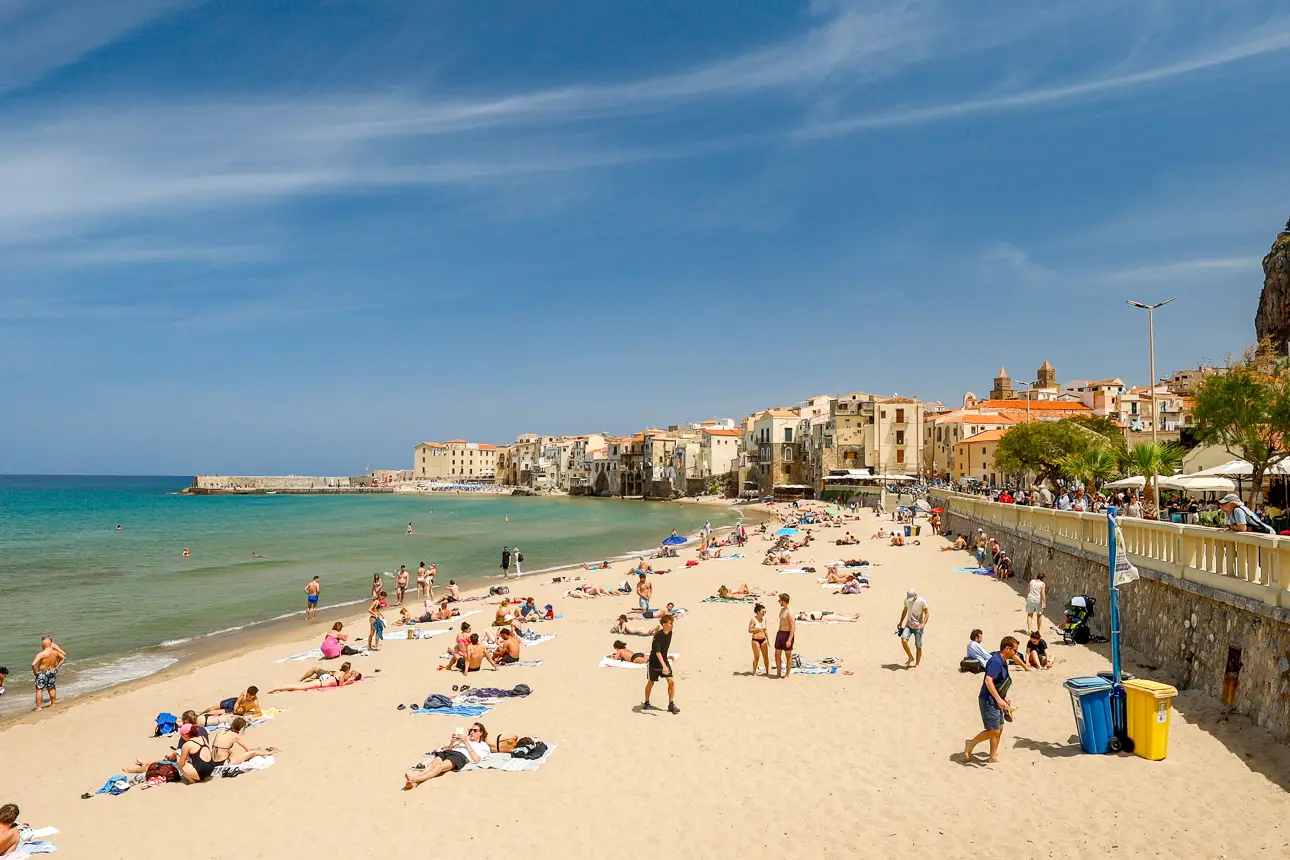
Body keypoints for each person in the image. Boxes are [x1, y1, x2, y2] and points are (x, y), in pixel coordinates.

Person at [964, 637, 1019, 764]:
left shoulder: (1004, 661)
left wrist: (1004, 698)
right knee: (994, 730)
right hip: (988, 700)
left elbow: (999, 682)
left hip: (997, 699)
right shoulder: (995, 661)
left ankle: (992, 757)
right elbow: (988, 681)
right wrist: (999, 699)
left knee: (999, 727)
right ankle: (970, 743)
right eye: (1014, 650)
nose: (1015, 653)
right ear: (1007, 648)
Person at [404, 723, 491, 789]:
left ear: (481, 733)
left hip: (460, 756)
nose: (472, 732)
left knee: (440, 767)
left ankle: (415, 779)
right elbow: (448, 748)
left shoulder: (483, 745)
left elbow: (477, 759)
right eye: (471, 730)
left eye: (475, 730)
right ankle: (415, 782)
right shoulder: (463, 740)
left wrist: (466, 742)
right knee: (433, 763)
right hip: (450, 752)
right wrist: (452, 742)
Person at [643, 614, 679, 714]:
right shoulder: (657, 637)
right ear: (664, 624)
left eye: (672, 623)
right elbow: (658, 653)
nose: (672, 625)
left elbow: (662, 652)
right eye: (670, 623)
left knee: (671, 681)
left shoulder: (670, 633)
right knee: (651, 682)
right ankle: (647, 702)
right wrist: (664, 666)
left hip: (664, 660)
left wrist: (667, 658)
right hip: (654, 662)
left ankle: (671, 704)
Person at [211, 717, 277, 766]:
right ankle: (269, 753)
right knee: (252, 753)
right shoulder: (235, 736)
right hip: (223, 762)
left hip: (213, 761)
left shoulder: (221, 731)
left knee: (228, 751)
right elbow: (249, 750)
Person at [32, 636, 66, 711]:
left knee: (39, 689)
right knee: (51, 687)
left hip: (43, 672)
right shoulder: (55, 652)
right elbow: (63, 658)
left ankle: (39, 707)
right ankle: (53, 703)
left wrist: (35, 672)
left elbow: (33, 664)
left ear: (42, 646)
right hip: (52, 671)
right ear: (51, 644)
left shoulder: (41, 654)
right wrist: (57, 667)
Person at [898, 588, 929, 668]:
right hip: (908, 625)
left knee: (918, 646)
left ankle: (917, 663)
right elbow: (905, 611)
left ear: (916, 594)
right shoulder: (907, 601)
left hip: (918, 627)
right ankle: (910, 657)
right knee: (904, 640)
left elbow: (927, 613)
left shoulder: (922, 601)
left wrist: (923, 623)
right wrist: (901, 622)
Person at [268, 669, 361, 693]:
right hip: (319, 683)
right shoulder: (342, 674)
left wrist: (349, 681)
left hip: (320, 683)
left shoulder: (342, 674)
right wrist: (348, 682)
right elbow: (340, 685)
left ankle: (279, 688)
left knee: (296, 687)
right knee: (297, 687)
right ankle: (276, 688)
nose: (351, 675)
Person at [774, 593, 796, 679]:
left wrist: (789, 639)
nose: (778, 601)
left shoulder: (789, 612)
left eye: (779, 600)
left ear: (783, 601)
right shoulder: (782, 610)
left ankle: (787, 674)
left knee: (788, 655)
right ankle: (778, 672)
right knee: (777, 654)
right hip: (780, 633)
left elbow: (793, 626)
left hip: (787, 634)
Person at [749, 603, 769, 676]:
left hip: (763, 639)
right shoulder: (753, 619)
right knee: (757, 657)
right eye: (762, 612)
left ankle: (767, 672)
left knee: (766, 657)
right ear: (758, 612)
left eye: (765, 612)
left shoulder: (764, 619)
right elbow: (750, 630)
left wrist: (768, 639)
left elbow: (765, 629)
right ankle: (754, 672)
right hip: (755, 640)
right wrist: (757, 630)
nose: (764, 613)